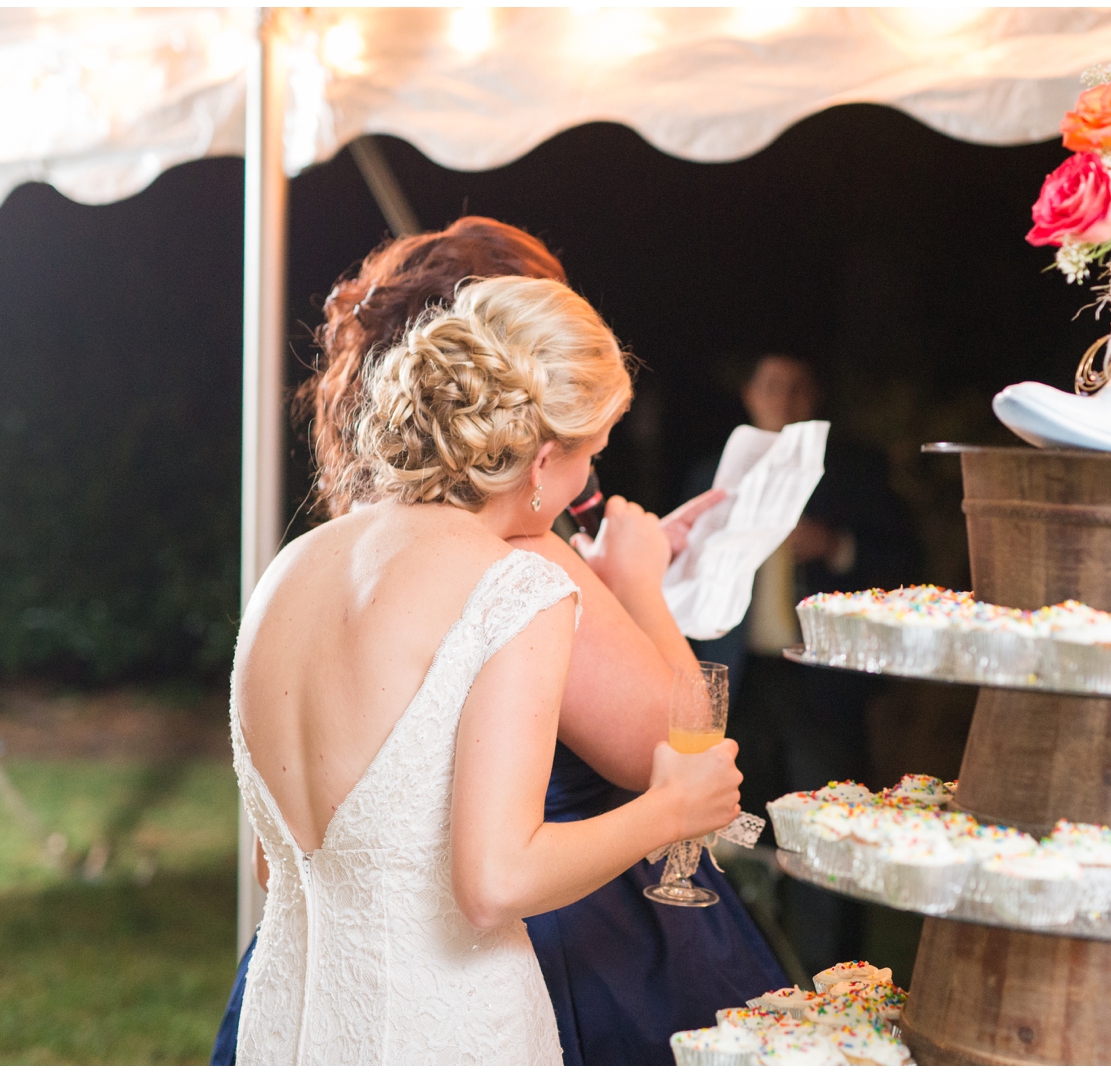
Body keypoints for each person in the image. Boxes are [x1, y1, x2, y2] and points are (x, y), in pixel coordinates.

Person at [213, 219, 787, 1065]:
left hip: (289, 1026)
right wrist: (670, 810)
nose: (586, 485)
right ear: (542, 460)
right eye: (590, 455)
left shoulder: (291, 569)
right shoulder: (515, 585)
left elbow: (277, 864)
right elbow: (494, 882)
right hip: (451, 1029)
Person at [685, 353, 918, 972]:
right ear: (749, 394)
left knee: (825, 825)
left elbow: (902, 557)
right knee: (736, 828)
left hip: (819, 678)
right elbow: (683, 573)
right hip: (737, 677)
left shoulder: (851, 471)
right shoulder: (717, 473)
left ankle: (829, 978)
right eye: (770, 386)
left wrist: (837, 545)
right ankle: (746, 967)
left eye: (797, 387)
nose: (783, 400)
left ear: (814, 396)